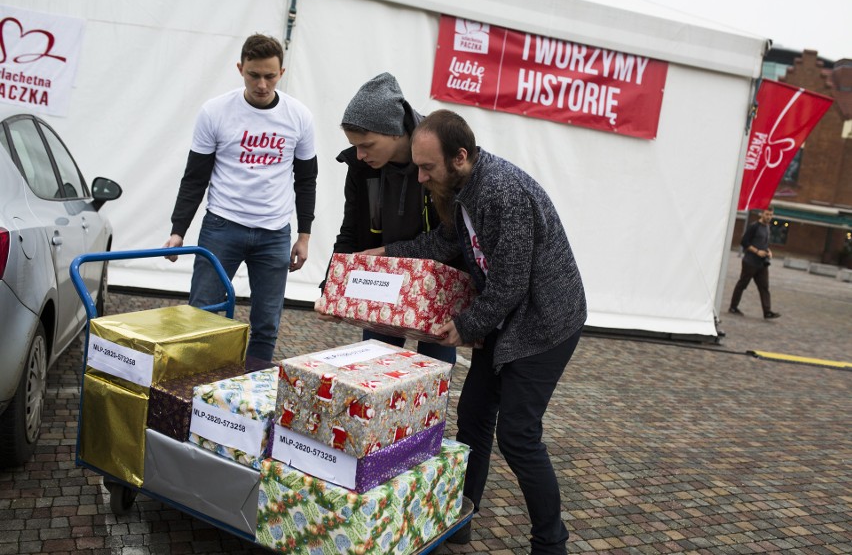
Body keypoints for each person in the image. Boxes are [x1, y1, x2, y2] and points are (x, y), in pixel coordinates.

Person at [364, 109, 587, 554]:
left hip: (545, 324)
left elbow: (510, 282)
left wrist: (464, 326)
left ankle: (551, 543)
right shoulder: (463, 188)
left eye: (428, 167)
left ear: (460, 157)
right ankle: (458, 517)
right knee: (474, 416)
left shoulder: (503, 192)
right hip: (508, 322)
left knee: (519, 436)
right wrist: (387, 254)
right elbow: (445, 244)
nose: (421, 177)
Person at [163, 34, 318, 361]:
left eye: (270, 76)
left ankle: (252, 395)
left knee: (266, 322)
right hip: (222, 226)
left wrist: (304, 236)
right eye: (254, 75)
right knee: (203, 315)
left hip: (275, 232)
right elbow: (195, 177)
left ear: (282, 72)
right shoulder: (215, 112)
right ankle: (196, 391)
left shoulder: (299, 116)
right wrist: (178, 231)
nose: (262, 84)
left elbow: (306, 180)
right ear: (240, 69)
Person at [319, 72, 457, 364]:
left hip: (436, 286)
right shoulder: (361, 168)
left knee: (433, 370)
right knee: (374, 363)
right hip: (383, 284)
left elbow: (450, 235)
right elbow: (350, 233)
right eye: (355, 145)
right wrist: (330, 289)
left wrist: (390, 252)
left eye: (367, 145)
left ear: (395, 131)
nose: (359, 154)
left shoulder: (438, 156)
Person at [729, 206, 781, 319]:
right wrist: (757, 251)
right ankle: (733, 307)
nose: (769, 217)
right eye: (767, 214)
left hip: (762, 263)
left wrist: (768, 251)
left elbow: (764, 243)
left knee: (764, 287)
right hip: (750, 262)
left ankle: (767, 312)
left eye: (771, 215)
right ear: (761, 214)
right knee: (742, 284)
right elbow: (744, 242)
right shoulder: (754, 226)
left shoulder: (767, 227)